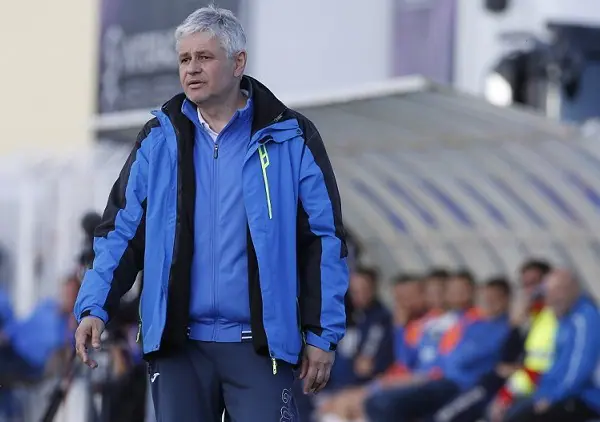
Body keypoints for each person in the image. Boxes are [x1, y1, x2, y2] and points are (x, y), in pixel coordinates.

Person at [73, 5, 348, 422]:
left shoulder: (292, 137)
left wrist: (321, 335)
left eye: (204, 57)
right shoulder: (158, 139)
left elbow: (323, 241)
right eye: (184, 58)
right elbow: (121, 233)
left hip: (260, 349)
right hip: (178, 348)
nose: (192, 68)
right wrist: (94, 307)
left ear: (238, 62)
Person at [503, 269, 600, 422]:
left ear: (574, 289)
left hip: (583, 398)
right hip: (557, 393)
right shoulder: (565, 319)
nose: (552, 297)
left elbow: (579, 368)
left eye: (558, 290)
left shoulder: (585, 318)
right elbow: (555, 366)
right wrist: (542, 394)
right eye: (548, 291)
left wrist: (552, 397)